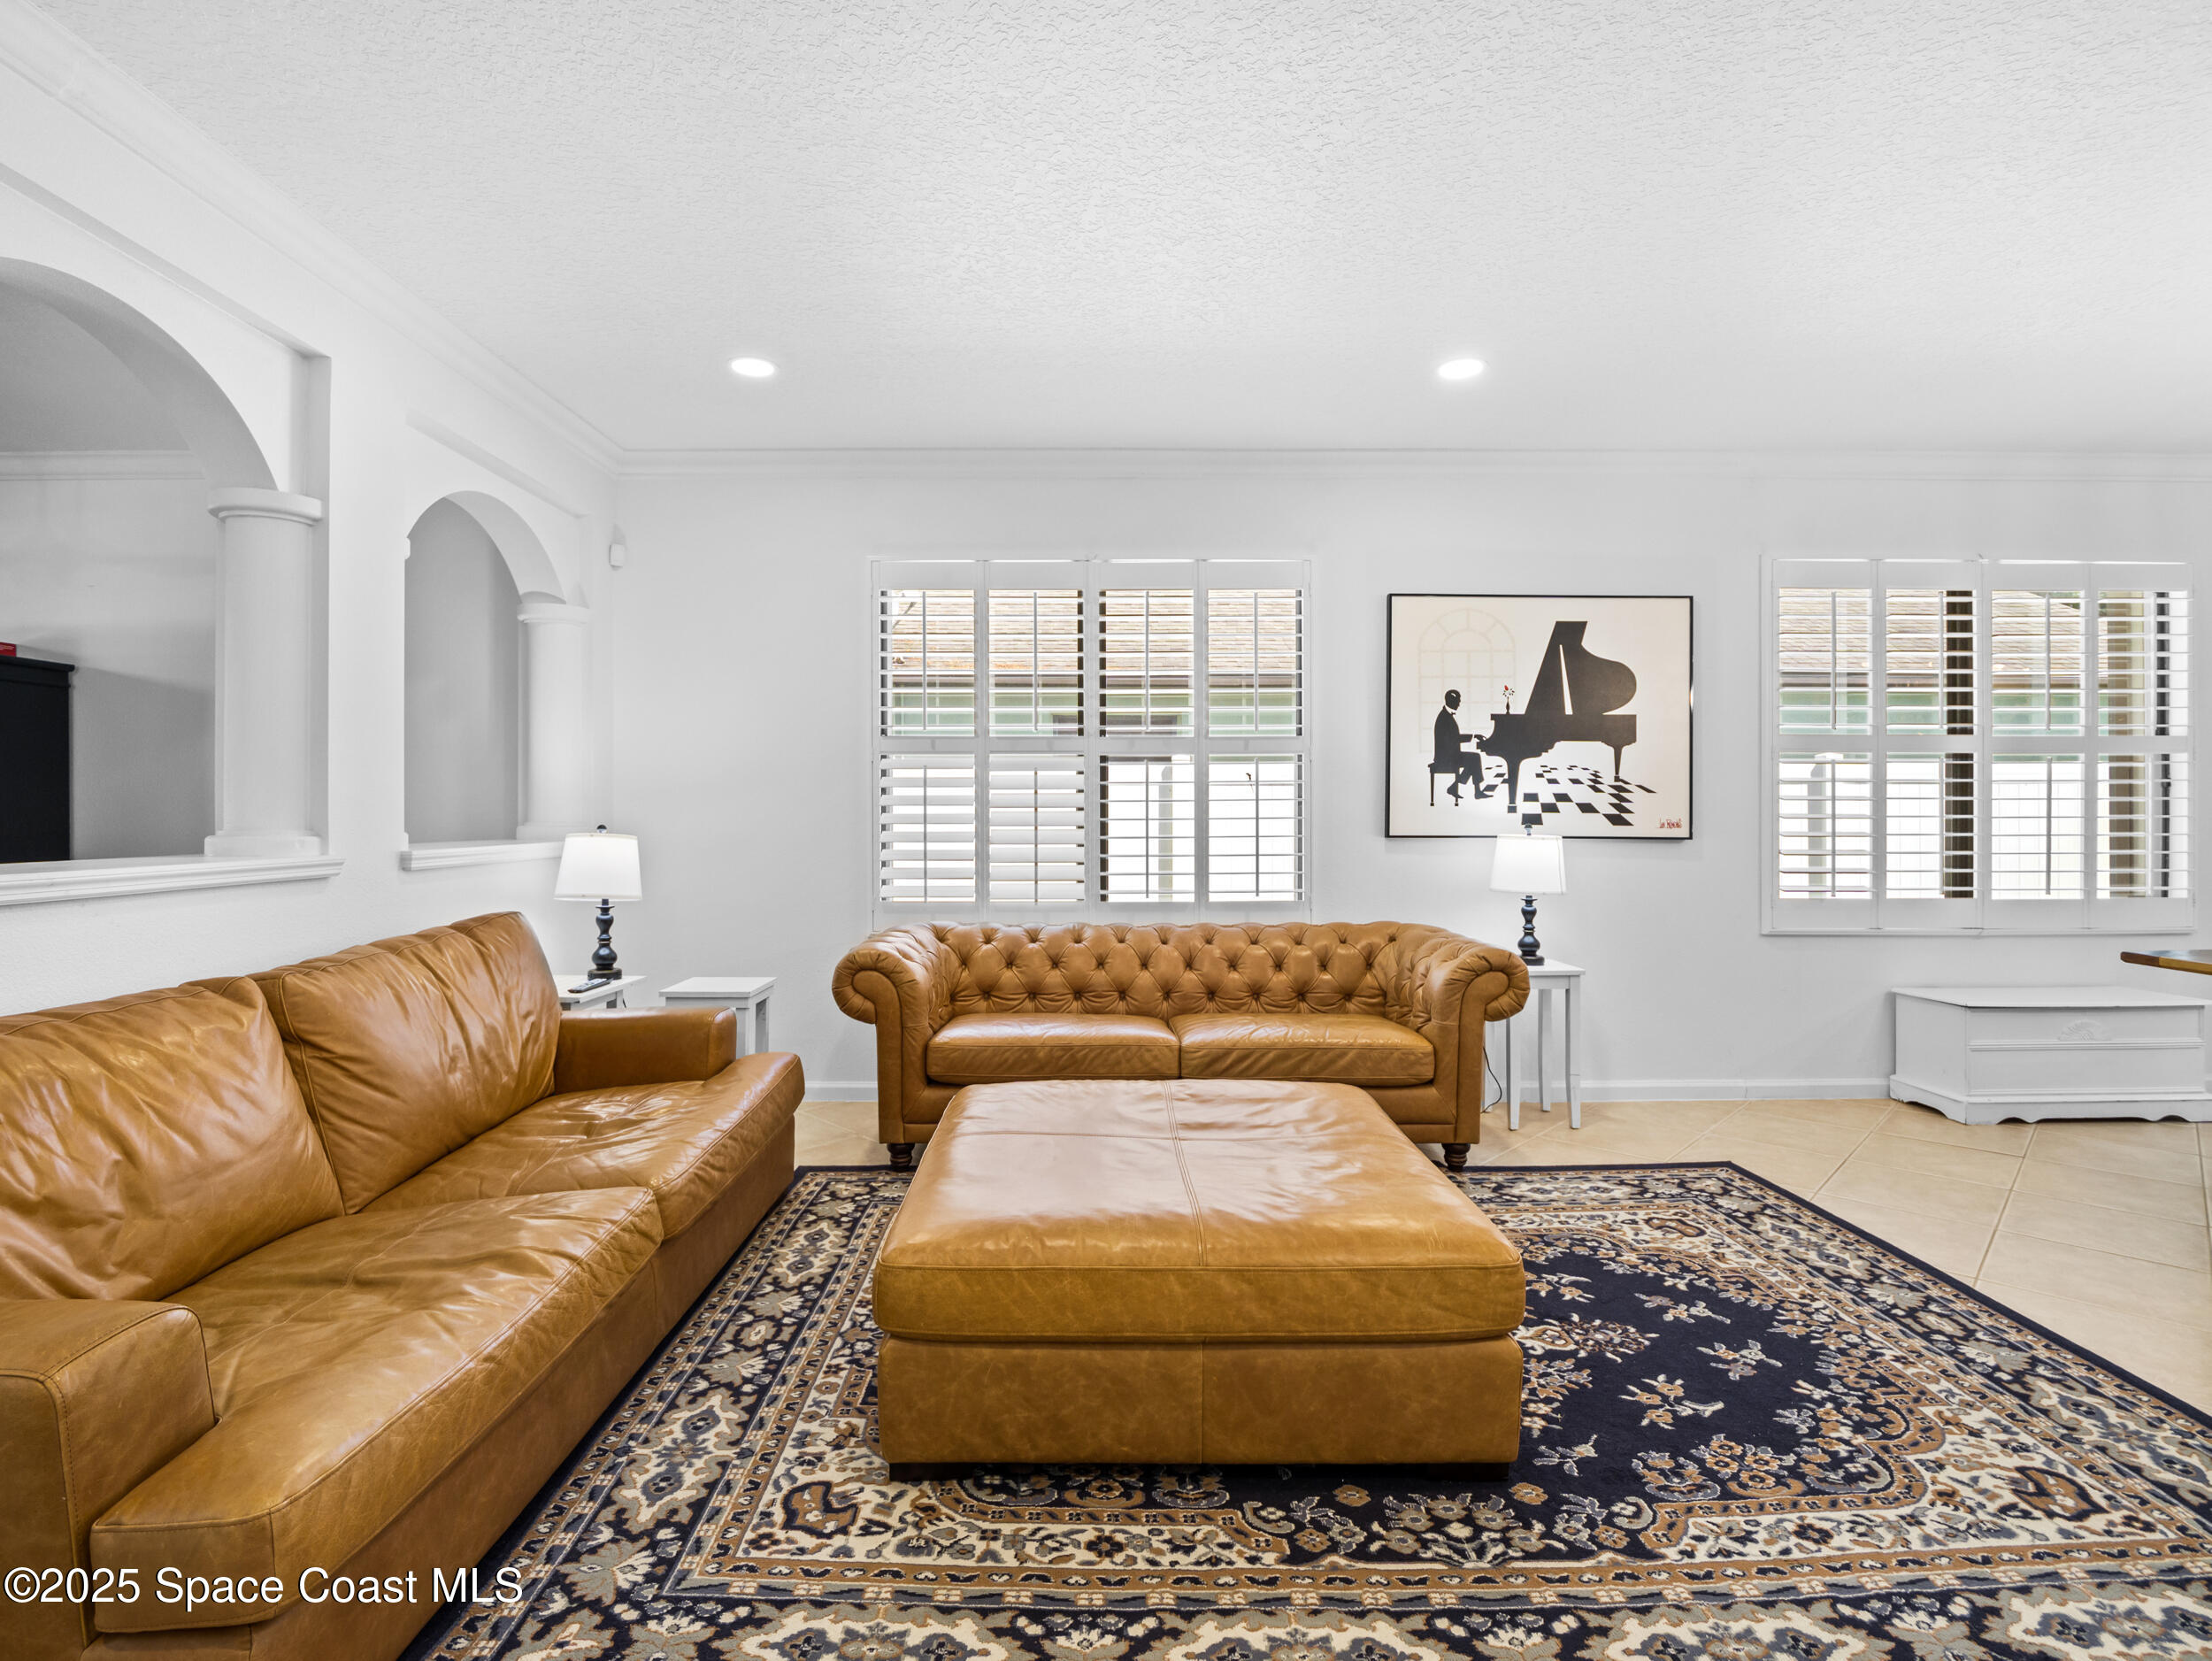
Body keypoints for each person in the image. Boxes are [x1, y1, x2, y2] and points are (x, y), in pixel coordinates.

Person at [1432, 689, 1490, 802]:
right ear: (1451, 701)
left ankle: (1459, 788)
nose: (1459, 704)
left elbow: (1453, 737)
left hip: (1451, 755)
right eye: (1458, 701)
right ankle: (1472, 791)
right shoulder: (1444, 717)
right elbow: (1453, 738)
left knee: (1474, 758)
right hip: (1444, 758)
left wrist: (1474, 736)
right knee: (1474, 758)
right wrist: (1473, 736)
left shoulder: (1446, 715)